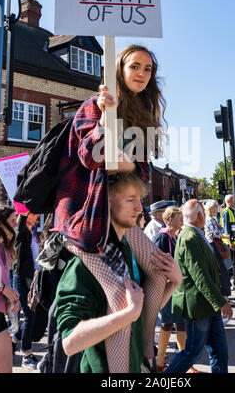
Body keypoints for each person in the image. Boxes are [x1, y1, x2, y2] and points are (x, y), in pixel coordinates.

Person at [53, 44, 168, 372]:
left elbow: (143, 174)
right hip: (85, 218)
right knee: (121, 296)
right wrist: (106, 118)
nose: (142, 75)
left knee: (160, 271)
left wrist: (126, 162)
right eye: (135, 67)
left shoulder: (142, 117)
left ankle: (146, 358)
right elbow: (92, 155)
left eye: (148, 69)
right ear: (119, 69)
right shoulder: (94, 106)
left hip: (118, 215)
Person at [55, 172, 181, 373]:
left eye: (140, 200)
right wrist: (125, 315)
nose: (140, 208)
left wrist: (173, 284)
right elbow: (70, 343)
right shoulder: (83, 264)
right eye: (131, 200)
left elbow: (141, 310)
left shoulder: (128, 251)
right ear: (106, 204)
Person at [165, 199, 233, 374]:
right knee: (192, 352)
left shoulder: (196, 234)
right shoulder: (189, 237)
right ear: (200, 215)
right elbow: (199, 276)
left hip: (209, 306)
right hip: (199, 306)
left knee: (220, 351)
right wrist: (220, 302)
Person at [154, 206, 187, 372]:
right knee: (170, 323)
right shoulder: (163, 237)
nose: (182, 221)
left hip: (175, 287)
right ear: (170, 220)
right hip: (167, 288)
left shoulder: (174, 237)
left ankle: (177, 361)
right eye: (179, 218)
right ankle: (163, 363)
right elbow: (160, 264)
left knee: (176, 323)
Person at [13, 212, 39, 369]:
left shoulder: (32, 232)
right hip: (22, 278)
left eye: (36, 214)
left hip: (33, 278)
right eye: (31, 214)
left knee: (32, 316)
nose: (35, 216)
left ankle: (14, 339)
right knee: (29, 316)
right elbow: (21, 260)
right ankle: (27, 355)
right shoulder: (22, 233)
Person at [0, 205, 19, 373]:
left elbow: (0, 282)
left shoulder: (5, 248)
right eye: (13, 220)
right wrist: (4, 289)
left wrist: (10, 298)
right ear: (0, 224)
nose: (16, 224)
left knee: (6, 368)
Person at [204, 200, 235, 308]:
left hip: (215, 245)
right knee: (223, 272)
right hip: (213, 246)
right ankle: (225, 298)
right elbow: (215, 234)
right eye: (216, 207)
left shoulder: (212, 219)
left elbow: (220, 230)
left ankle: (224, 297)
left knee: (221, 271)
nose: (218, 209)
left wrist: (220, 229)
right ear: (211, 208)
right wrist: (222, 233)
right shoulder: (209, 219)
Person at [221, 194, 235, 289]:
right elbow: (226, 228)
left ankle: (228, 275)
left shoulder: (233, 210)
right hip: (231, 242)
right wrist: (230, 242)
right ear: (228, 201)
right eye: (233, 200)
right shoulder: (226, 212)